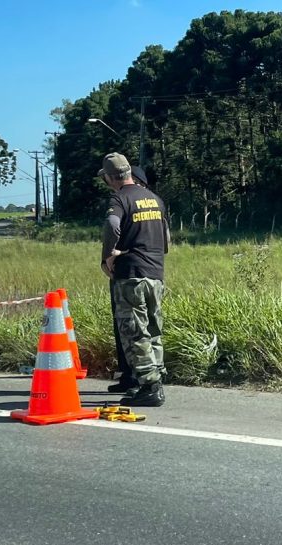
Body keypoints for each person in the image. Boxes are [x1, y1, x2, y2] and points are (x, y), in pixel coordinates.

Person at [98, 153, 170, 406]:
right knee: (153, 330)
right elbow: (166, 238)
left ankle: (149, 387)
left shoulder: (119, 199)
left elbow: (112, 223)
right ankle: (155, 379)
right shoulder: (154, 199)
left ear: (109, 177)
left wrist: (109, 255)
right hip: (155, 273)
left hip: (130, 275)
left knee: (134, 333)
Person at [106, 165, 150, 396]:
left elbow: (114, 228)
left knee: (134, 327)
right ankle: (129, 375)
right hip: (144, 272)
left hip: (130, 271)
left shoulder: (128, 202)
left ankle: (142, 380)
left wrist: (110, 256)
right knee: (124, 325)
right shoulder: (149, 203)